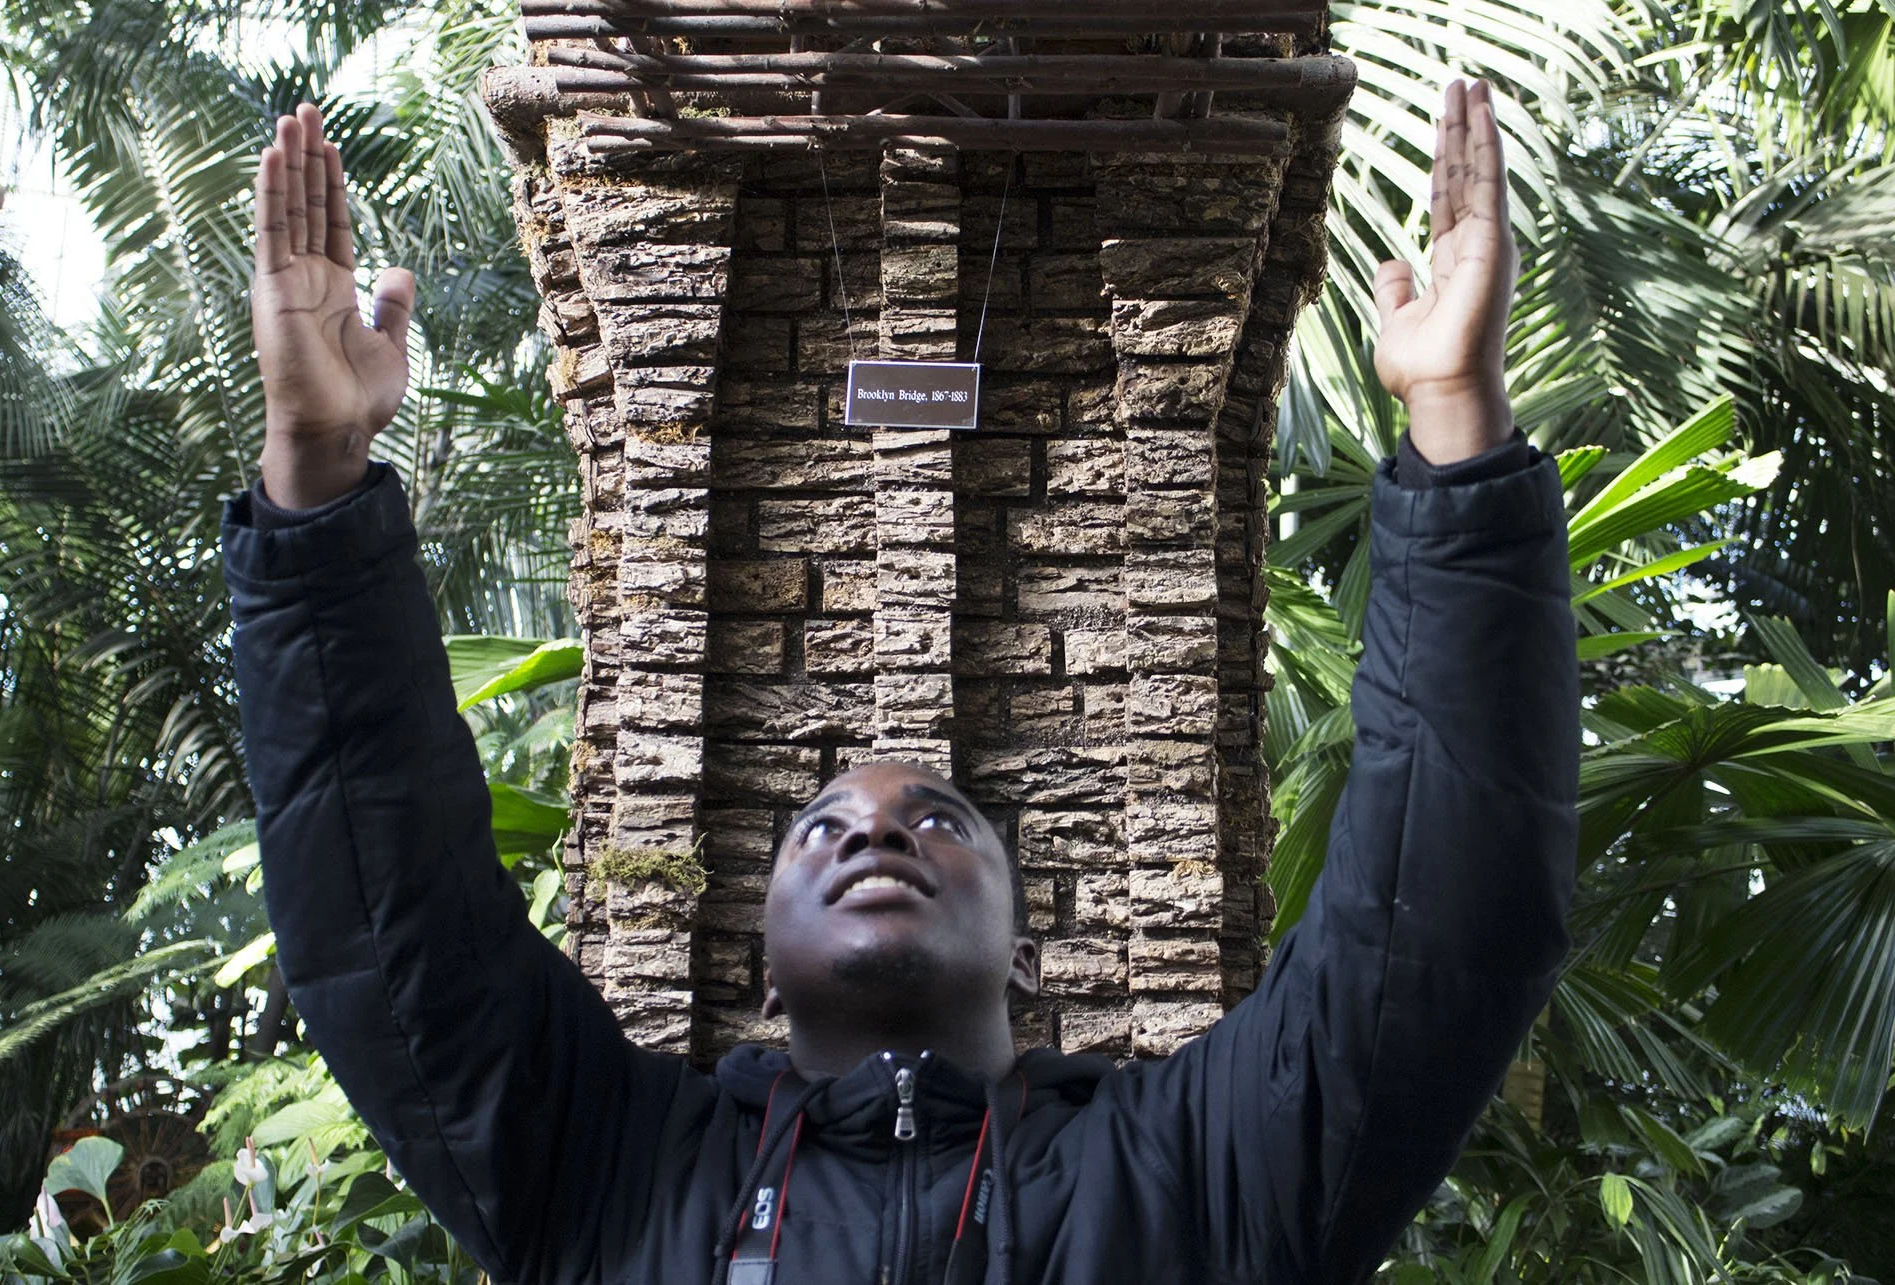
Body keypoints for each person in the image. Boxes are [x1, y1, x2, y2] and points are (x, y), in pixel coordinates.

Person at [225, 78, 1577, 1284]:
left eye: (937, 819)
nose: (872, 827)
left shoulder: (1204, 1174)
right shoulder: (606, 1173)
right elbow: (391, 927)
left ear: (1024, 939)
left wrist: (1456, 427)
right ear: (764, 954)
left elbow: (1437, 927)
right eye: (823, 830)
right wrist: (314, 474)